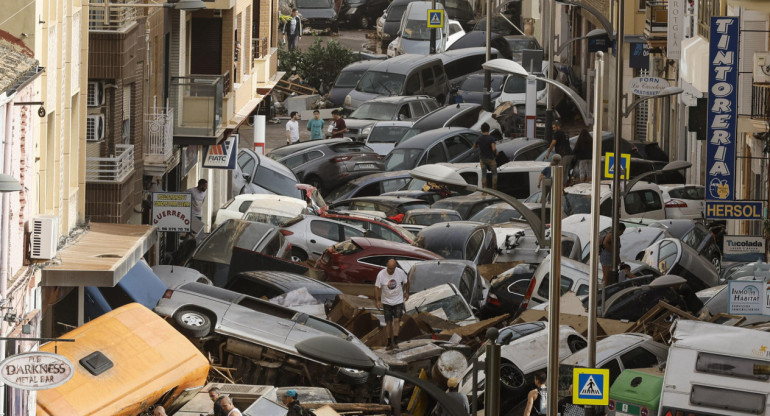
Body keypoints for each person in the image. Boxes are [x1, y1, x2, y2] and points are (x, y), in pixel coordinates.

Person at [375, 258, 409, 350]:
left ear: (395, 267)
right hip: (386, 301)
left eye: (392, 269)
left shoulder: (400, 272)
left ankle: (396, 340)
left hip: (398, 300)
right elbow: (377, 288)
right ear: (386, 266)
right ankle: (389, 341)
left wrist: (407, 293)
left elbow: (406, 282)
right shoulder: (381, 274)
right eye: (389, 268)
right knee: (388, 322)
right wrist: (378, 300)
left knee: (397, 320)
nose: (390, 271)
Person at [472, 122, 498, 189]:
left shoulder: (479, 138)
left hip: (482, 159)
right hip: (490, 158)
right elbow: (493, 148)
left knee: (484, 174)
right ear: (488, 129)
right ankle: (494, 189)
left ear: (481, 129)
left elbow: (474, 147)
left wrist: (480, 145)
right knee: (494, 173)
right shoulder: (491, 138)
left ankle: (484, 190)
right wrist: (496, 153)